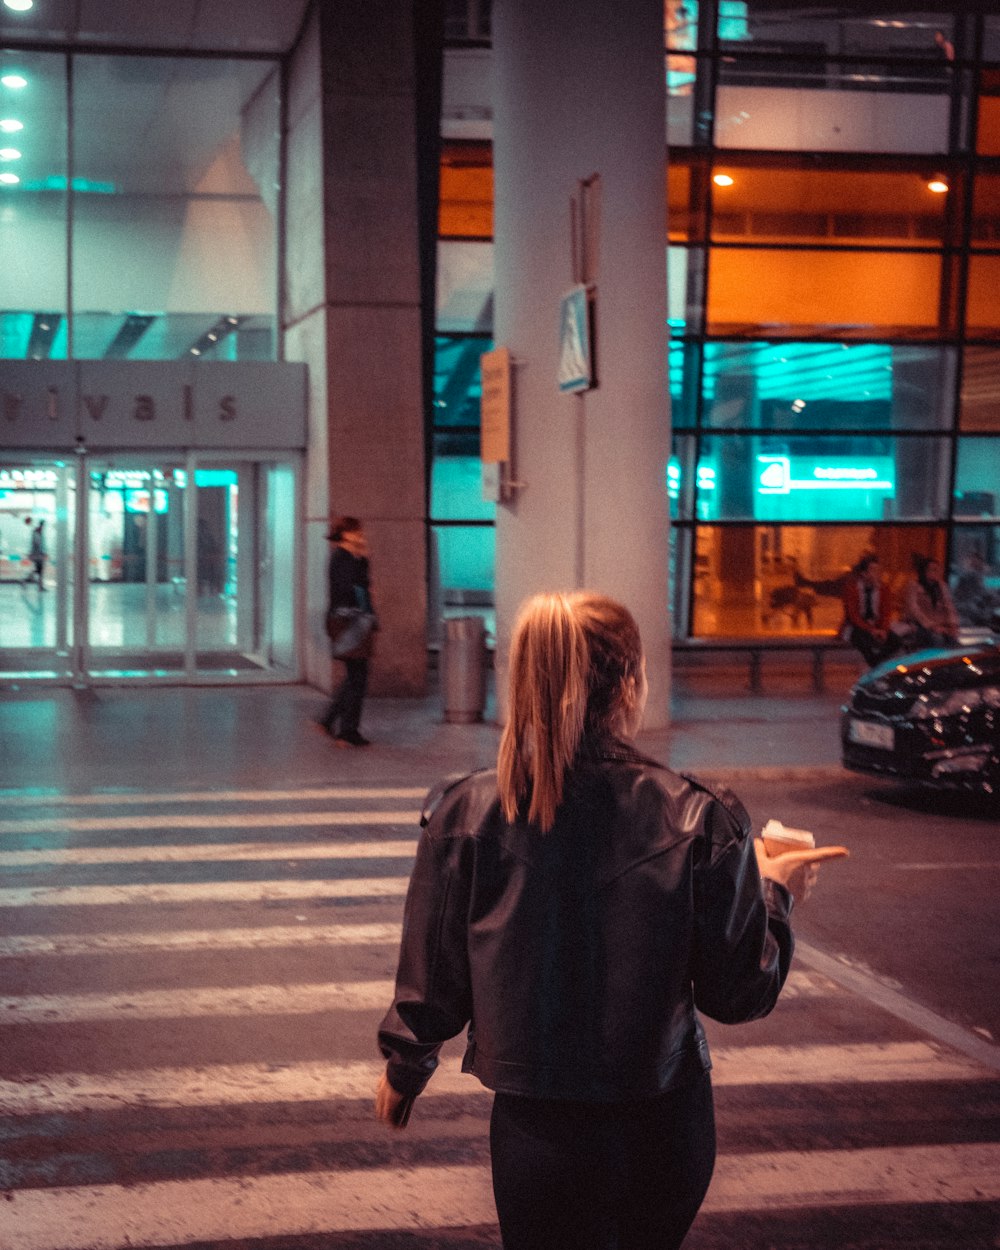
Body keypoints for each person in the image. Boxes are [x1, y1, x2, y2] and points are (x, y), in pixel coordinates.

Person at [375, 591, 830, 1250]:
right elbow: (740, 993)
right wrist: (777, 891)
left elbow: (433, 973)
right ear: (630, 686)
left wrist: (405, 1070)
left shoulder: (467, 810)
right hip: (663, 1122)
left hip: (537, 1134)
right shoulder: (700, 817)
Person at [317, 516, 375, 747]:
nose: (361, 535)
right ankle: (346, 731)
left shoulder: (349, 557)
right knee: (357, 676)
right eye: (357, 531)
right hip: (349, 623)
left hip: (351, 622)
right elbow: (353, 587)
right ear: (347, 533)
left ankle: (331, 721)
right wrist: (362, 561)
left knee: (355, 676)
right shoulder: (343, 557)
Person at [840, 553, 895, 666]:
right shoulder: (852, 588)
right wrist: (871, 630)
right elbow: (853, 615)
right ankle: (875, 664)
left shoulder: (884, 589)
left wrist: (883, 629)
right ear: (864, 574)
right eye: (873, 570)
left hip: (877, 626)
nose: (877, 574)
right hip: (858, 626)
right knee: (862, 639)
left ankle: (875, 663)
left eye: (878, 570)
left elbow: (886, 612)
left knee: (895, 641)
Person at [899, 554, 959, 650]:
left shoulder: (942, 587)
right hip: (920, 625)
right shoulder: (914, 586)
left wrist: (953, 624)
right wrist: (932, 626)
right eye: (933, 570)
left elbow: (949, 606)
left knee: (954, 640)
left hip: (940, 624)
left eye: (937, 570)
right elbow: (914, 610)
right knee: (936, 639)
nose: (936, 573)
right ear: (924, 571)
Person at [26, 518, 46, 590]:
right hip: (37, 555)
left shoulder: (39, 533)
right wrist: (42, 552)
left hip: (39, 555)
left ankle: (40, 586)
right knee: (39, 570)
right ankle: (27, 579)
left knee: (39, 570)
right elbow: (37, 544)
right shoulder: (36, 533)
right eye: (42, 526)